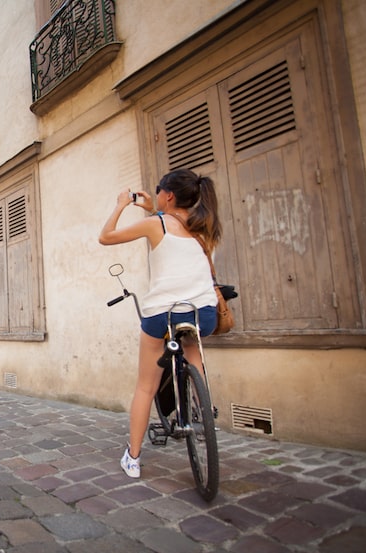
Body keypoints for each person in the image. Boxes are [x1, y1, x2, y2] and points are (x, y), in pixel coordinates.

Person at [98, 168, 222, 479]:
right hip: (203, 314)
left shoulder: (157, 224)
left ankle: (133, 457)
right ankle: (202, 410)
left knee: (145, 385)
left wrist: (121, 204)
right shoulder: (205, 228)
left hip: (163, 315)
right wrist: (154, 207)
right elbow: (176, 235)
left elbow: (106, 237)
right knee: (194, 354)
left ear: (168, 195)